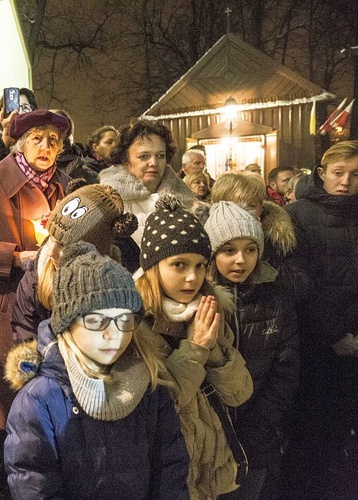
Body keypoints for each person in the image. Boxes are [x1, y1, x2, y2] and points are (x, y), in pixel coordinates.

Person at [4, 241, 190, 499]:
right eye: (95, 321)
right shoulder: (40, 398)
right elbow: (34, 483)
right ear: (66, 323)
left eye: (124, 320)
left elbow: (170, 467)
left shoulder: (148, 384)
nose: (113, 334)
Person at [0, 108, 71, 431]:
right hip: (5, 301)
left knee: (54, 380)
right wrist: (17, 258)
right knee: (12, 387)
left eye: (53, 140)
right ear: (19, 144)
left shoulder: (65, 186)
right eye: (37, 139)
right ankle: (9, 460)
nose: (46, 146)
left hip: (51, 300)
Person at [133, 195, 253, 499]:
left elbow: (239, 393)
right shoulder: (134, 325)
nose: (192, 277)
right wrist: (195, 349)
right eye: (179, 265)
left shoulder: (208, 308)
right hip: (172, 476)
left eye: (200, 266)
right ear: (152, 267)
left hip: (216, 470)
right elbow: (158, 409)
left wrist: (214, 351)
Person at [204, 202, 299, 500]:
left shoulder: (275, 296)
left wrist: (260, 427)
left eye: (250, 249)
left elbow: (285, 371)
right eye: (228, 250)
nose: (240, 260)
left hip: (257, 436)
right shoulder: (198, 298)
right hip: (207, 436)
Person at [280, 140, 358, 498]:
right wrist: (335, 333)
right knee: (311, 431)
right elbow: (300, 280)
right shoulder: (299, 214)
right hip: (317, 344)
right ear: (322, 174)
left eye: (355, 174)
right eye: (339, 173)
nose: (346, 182)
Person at [11, 181, 138, 343]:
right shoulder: (36, 277)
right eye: (51, 238)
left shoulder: (126, 281)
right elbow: (25, 334)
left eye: (64, 246)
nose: (50, 252)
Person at [99, 121, 195, 245]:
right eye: (144, 156)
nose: (154, 163)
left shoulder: (185, 202)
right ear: (126, 161)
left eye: (160, 156)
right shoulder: (110, 203)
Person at [208, 171, 296, 271]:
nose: (244, 212)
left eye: (251, 206)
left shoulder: (279, 239)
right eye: (236, 205)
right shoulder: (204, 237)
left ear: (261, 207)